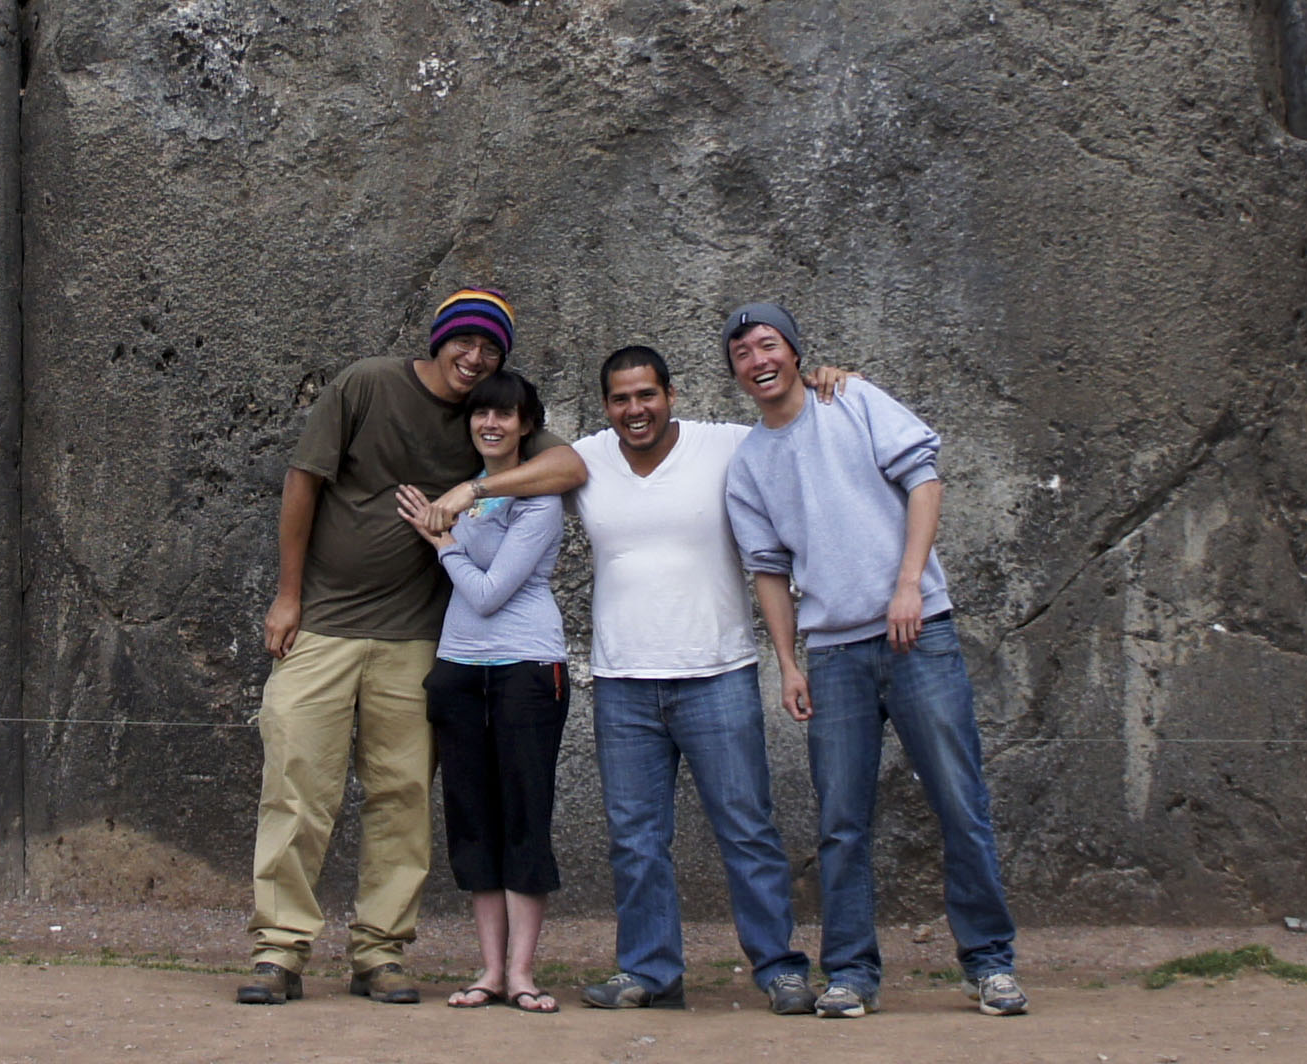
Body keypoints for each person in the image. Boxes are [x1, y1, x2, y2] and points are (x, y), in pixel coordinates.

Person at [238, 289, 584, 1006]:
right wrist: (288, 594)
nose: (475, 359)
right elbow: (303, 481)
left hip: (418, 636)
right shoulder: (366, 384)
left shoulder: (488, 415)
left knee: (402, 798)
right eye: (465, 342)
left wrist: (469, 491)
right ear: (438, 339)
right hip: (324, 623)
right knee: (297, 785)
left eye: (491, 350)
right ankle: (279, 949)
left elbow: (568, 469)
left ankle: (380, 952)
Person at [721, 302, 1027, 1021]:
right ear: (734, 372)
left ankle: (990, 963)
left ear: (795, 351)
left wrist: (908, 584)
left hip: (919, 634)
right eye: (742, 353)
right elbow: (768, 570)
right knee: (841, 821)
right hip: (833, 654)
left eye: (768, 344)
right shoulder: (749, 463)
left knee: (960, 801)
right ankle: (852, 973)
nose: (758, 360)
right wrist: (789, 664)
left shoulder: (853, 401)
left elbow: (925, 481)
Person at [554, 345, 826, 1014]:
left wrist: (825, 381)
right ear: (605, 406)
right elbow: (518, 459)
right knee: (635, 839)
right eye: (621, 399)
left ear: (670, 395)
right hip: (622, 680)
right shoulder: (586, 459)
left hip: (717, 674)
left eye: (646, 395)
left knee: (747, 828)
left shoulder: (723, 445)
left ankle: (780, 968)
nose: (635, 409)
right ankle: (650, 971)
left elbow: (792, 425)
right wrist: (470, 491)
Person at [394, 370, 571, 1014]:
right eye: (480, 414)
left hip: (528, 668)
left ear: (527, 425)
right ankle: (490, 970)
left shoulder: (539, 500)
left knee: (524, 812)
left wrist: (442, 543)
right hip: (459, 667)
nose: (491, 424)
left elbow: (491, 593)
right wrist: (446, 524)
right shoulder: (460, 495)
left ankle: (522, 972)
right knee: (471, 817)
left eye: (505, 414)